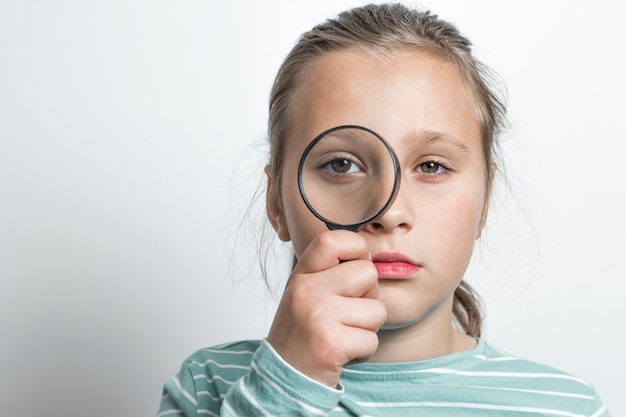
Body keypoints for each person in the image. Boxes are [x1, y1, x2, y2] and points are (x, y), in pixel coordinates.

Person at [157, 3, 611, 416]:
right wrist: (285, 383)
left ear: (486, 199)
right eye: (342, 165)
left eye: (431, 166)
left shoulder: (566, 408)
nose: (389, 211)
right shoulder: (208, 387)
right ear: (277, 201)